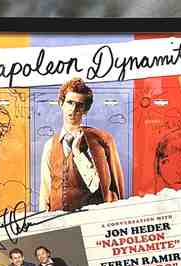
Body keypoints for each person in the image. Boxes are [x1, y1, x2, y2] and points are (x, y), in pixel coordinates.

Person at [39, 77, 126, 212]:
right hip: (58, 219)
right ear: (61, 103)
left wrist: (77, 152)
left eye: (79, 105)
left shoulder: (99, 141)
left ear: (85, 110)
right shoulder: (50, 145)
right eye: (70, 103)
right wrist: (43, 218)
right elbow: (45, 191)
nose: (73, 109)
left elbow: (97, 187)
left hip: (89, 219)